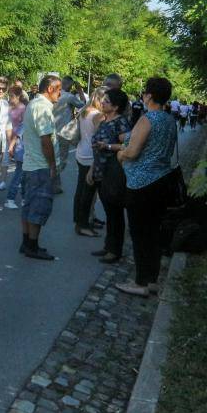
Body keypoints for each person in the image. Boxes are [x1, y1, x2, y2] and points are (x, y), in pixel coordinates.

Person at [117, 76, 182, 297]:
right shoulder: (169, 119)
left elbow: (133, 151)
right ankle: (152, 279)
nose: (143, 96)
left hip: (141, 184)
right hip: (162, 181)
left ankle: (141, 282)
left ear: (150, 96)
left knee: (139, 234)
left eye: (145, 92)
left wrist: (121, 153)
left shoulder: (147, 119)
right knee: (154, 233)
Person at [17, 75, 63, 261]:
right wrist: (52, 165)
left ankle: (26, 243)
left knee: (28, 206)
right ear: (50, 89)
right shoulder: (42, 107)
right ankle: (32, 247)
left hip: (31, 165)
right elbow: (46, 140)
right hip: (40, 166)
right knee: (38, 206)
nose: (61, 93)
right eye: (59, 89)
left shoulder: (34, 104)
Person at [87, 88, 131, 264]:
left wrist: (109, 146)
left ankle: (115, 250)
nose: (102, 103)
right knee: (108, 210)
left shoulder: (120, 123)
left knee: (115, 211)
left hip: (114, 171)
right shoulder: (105, 120)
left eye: (106, 101)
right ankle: (108, 246)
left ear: (115, 106)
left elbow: (129, 146)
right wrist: (92, 169)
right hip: (101, 169)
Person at [73, 87, 107, 237]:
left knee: (81, 190)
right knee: (88, 193)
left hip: (81, 152)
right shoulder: (98, 115)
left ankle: (79, 221)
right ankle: (83, 224)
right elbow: (100, 138)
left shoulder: (85, 111)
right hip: (91, 157)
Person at [52, 77, 86, 193]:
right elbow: (83, 105)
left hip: (50, 130)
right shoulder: (69, 97)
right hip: (63, 132)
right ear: (70, 85)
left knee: (52, 158)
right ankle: (49, 180)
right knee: (61, 160)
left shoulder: (52, 95)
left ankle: (56, 185)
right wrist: (80, 91)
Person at [3, 85, 28, 211]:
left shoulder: (23, 108)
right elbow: (8, 126)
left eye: (12, 96)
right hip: (13, 140)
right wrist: (10, 143)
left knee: (22, 172)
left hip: (20, 142)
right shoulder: (9, 108)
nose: (10, 98)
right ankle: (10, 199)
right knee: (20, 172)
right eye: (9, 95)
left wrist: (13, 143)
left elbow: (22, 129)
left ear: (18, 96)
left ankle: (23, 198)